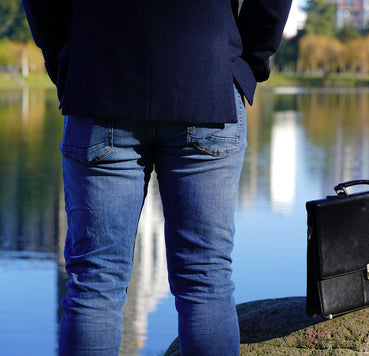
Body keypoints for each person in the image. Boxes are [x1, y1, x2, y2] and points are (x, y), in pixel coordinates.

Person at [21, 1, 292, 355]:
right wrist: (248, 59)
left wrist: (69, 56)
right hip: (206, 72)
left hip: (100, 77)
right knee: (205, 280)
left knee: (95, 284)